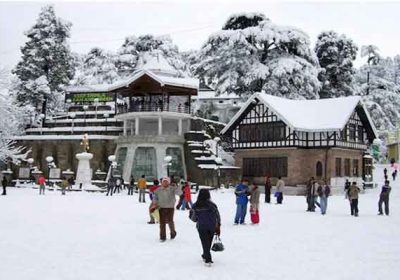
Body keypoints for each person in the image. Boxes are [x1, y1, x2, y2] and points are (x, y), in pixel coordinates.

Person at [189, 189, 221, 266]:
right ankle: (205, 255)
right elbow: (217, 216)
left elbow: (192, 217)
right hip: (212, 225)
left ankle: (208, 259)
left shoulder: (196, 205)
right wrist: (218, 224)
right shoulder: (212, 205)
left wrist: (196, 219)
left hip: (202, 226)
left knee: (204, 242)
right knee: (208, 242)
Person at [150, 176, 182, 242]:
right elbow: (155, 198)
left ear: (169, 182)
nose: (165, 183)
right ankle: (162, 237)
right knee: (162, 223)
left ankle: (173, 232)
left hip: (170, 207)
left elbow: (180, 193)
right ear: (161, 183)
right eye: (163, 181)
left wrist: (176, 187)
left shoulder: (172, 188)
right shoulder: (158, 190)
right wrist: (155, 203)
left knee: (170, 221)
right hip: (161, 207)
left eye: (166, 181)